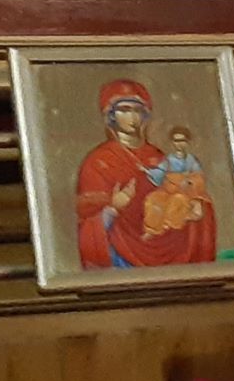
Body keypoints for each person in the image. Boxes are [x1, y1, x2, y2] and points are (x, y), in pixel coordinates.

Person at [74, 80, 216, 269]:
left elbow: (176, 190)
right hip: (123, 251)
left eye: (137, 110)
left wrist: (195, 200)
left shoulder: (157, 156)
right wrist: (113, 206)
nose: (132, 116)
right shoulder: (98, 161)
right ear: (111, 115)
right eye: (124, 110)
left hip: (166, 242)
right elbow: (88, 218)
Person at [141, 125, 209, 239]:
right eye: (176, 141)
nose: (179, 144)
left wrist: (189, 181)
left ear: (187, 142)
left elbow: (199, 177)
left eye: (182, 140)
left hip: (186, 192)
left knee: (178, 199)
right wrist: (147, 171)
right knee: (153, 199)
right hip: (168, 191)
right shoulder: (169, 160)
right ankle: (152, 229)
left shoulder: (191, 160)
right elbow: (160, 172)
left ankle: (168, 224)